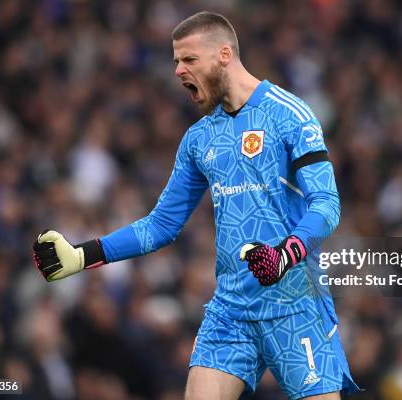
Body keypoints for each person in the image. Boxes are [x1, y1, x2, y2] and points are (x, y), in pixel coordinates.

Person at [32, 11, 359, 400]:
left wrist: (285, 255)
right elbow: (160, 226)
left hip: (293, 302)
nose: (178, 71)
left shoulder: (290, 115)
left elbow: (327, 205)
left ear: (224, 54)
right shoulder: (198, 139)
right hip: (231, 309)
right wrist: (82, 255)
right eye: (175, 61)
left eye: (188, 60)